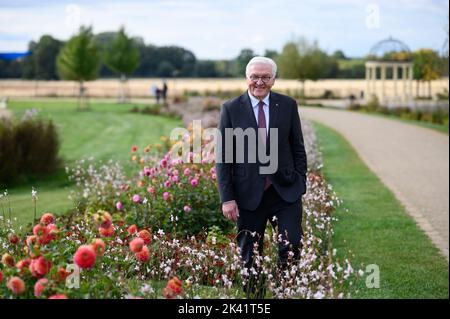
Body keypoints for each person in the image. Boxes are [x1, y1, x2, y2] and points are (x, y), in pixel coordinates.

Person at [216, 57, 307, 295]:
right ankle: (255, 300)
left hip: (284, 192)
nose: (259, 82)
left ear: (274, 80)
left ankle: (285, 292)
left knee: (291, 245)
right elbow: (223, 157)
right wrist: (227, 198)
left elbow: (297, 146)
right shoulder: (231, 109)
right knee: (250, 254)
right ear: (246, 78)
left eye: (265, 77)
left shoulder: (288, 105)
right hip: (247, 195)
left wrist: (301, 182)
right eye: (254, 76)